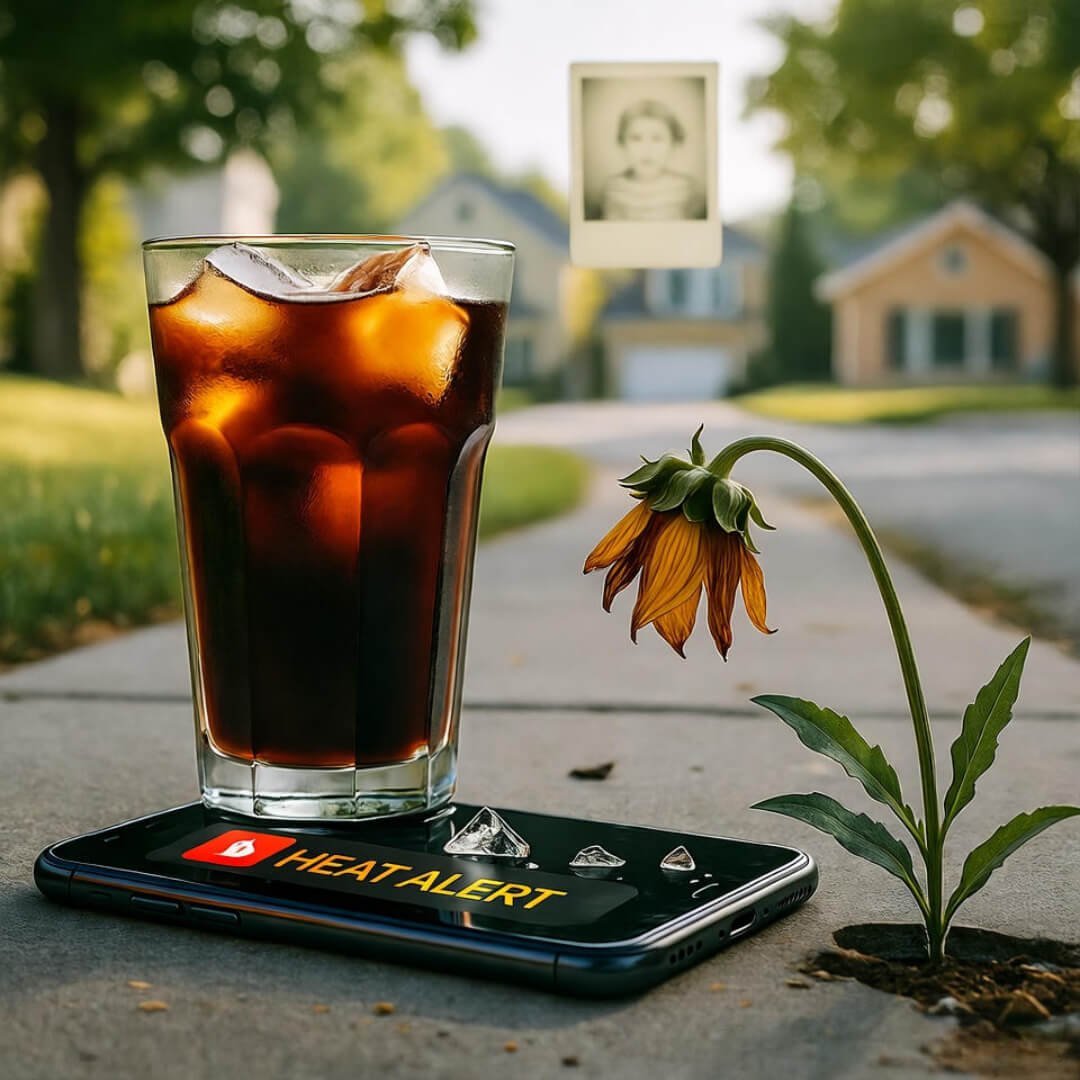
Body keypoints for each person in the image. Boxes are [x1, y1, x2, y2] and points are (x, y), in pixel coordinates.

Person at [601, 99, 705, 221]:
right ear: (622, 143)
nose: (647, 149)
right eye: (636, 138)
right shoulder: (613, 189)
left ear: (674, 144)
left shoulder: (686, 190)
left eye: (657, 138)